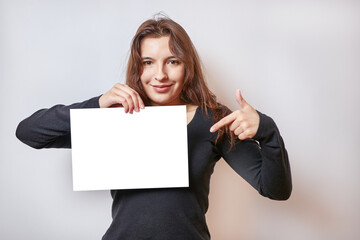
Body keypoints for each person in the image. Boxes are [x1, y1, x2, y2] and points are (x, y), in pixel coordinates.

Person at [16, 16, 292, 240]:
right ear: (138, 69)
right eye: (148, 63)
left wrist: (266, 131)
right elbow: (28, 132)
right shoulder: (115, 117)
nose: (160, 74)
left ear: (188, 67)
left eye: (172, 61)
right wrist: (98, 104)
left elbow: (275, 189)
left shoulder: (212, 120)